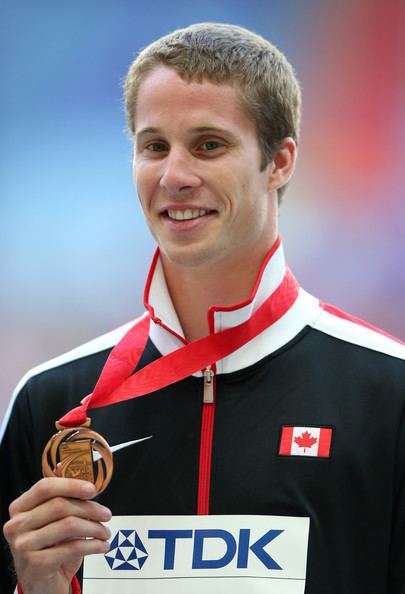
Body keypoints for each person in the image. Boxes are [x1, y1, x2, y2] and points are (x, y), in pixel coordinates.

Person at [1, 22, 405, 594]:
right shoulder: (55, 402)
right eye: (154, 146)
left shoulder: (387, 393)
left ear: (280, 161)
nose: (175, 176)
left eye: (209, 145)